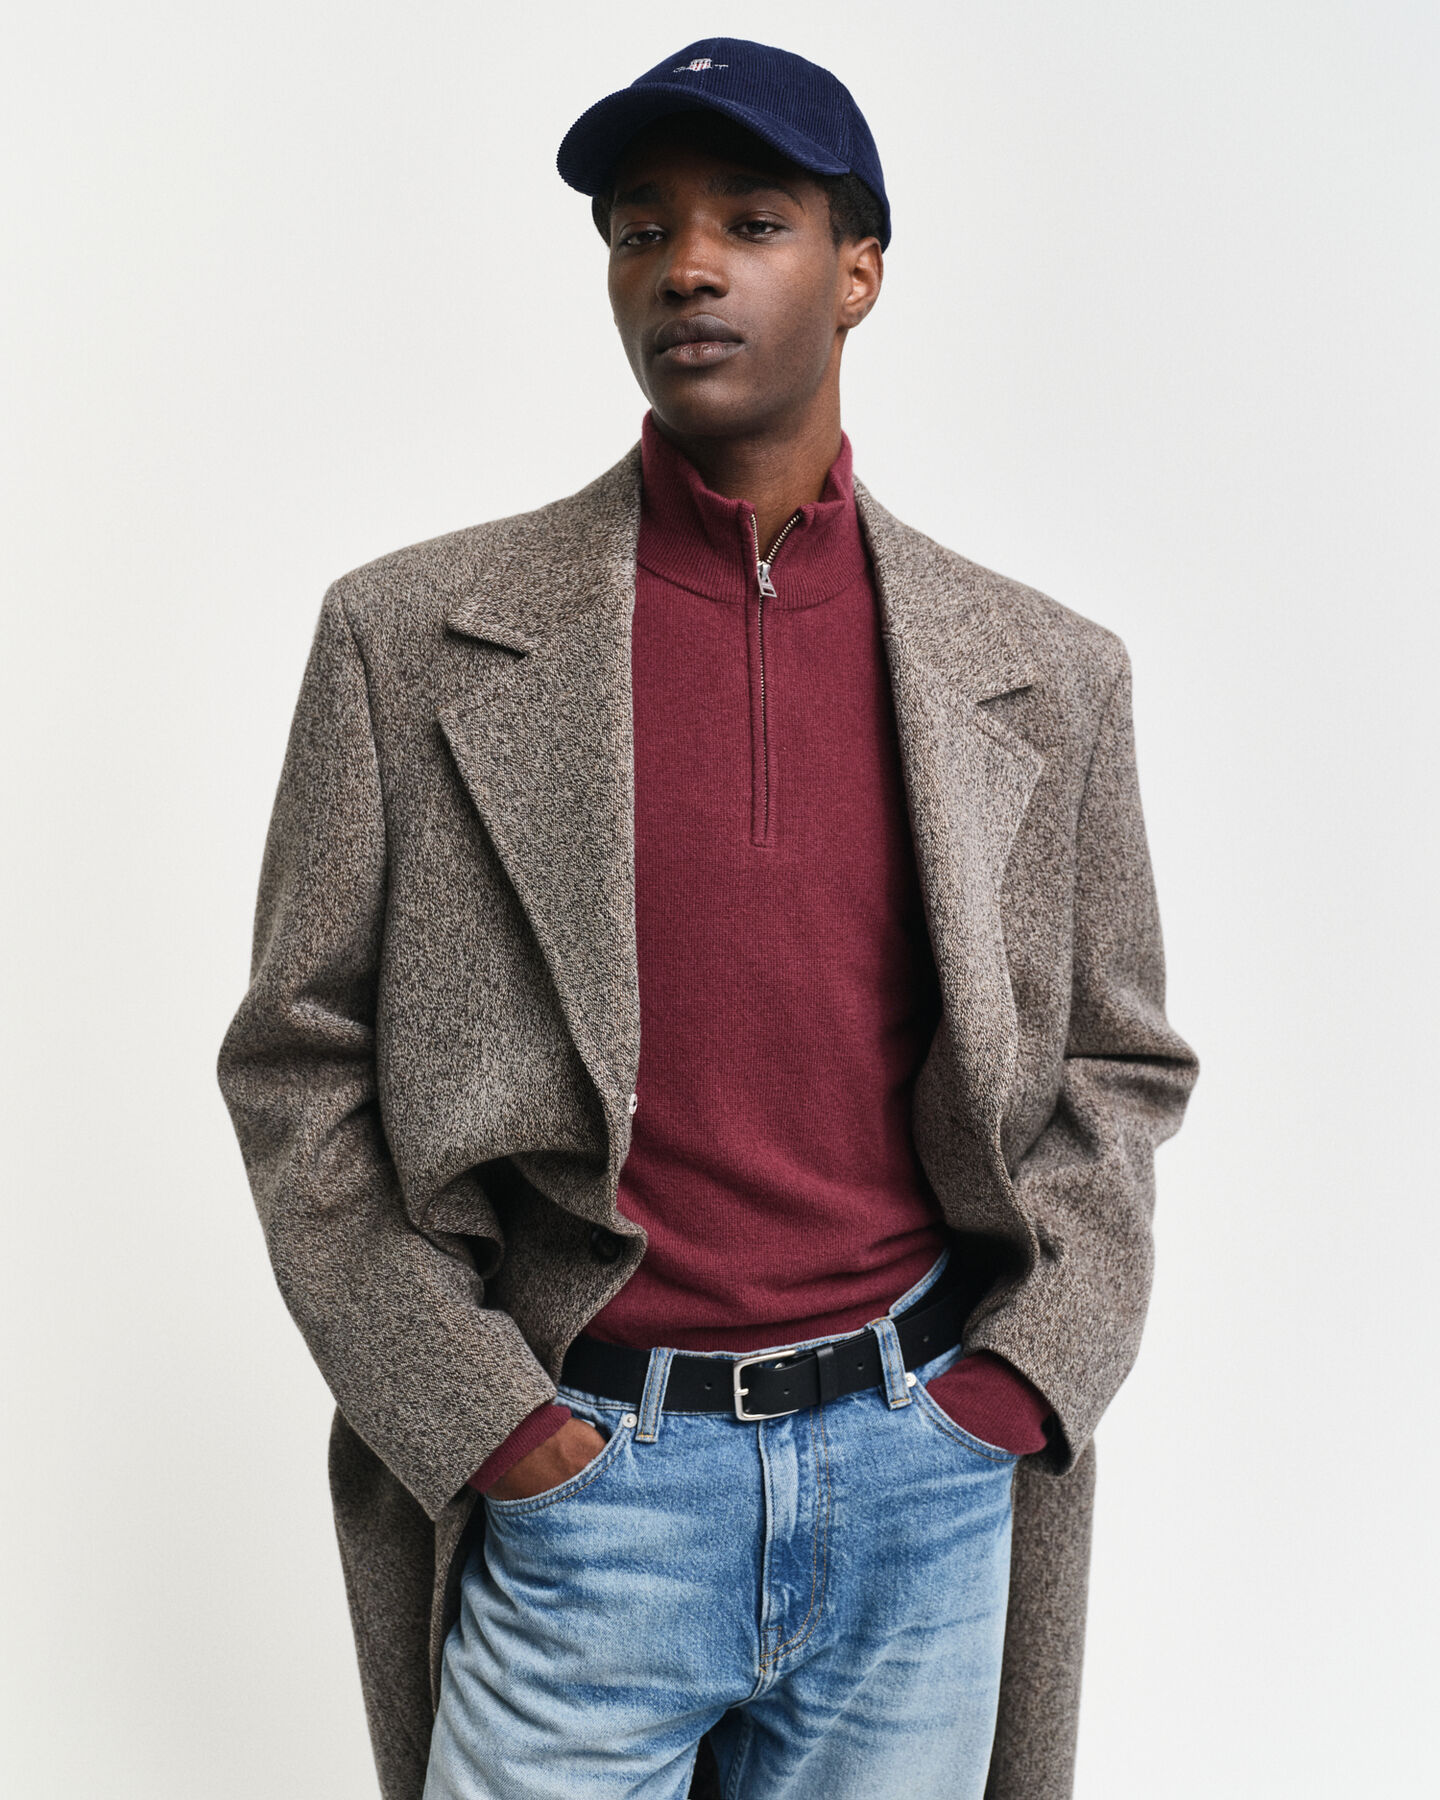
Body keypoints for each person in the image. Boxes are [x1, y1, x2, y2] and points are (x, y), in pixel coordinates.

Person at [218, 37, 1198, 1800]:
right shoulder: (410, 638)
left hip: (921, 1480)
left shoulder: (1046, 674)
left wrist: (1023, 1387)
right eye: (640, 228)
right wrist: (486, 1422)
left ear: (859, 271)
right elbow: (298, 1068)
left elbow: (1117, 1068)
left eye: (752, 221)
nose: (685, 267)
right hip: (590, 1483)